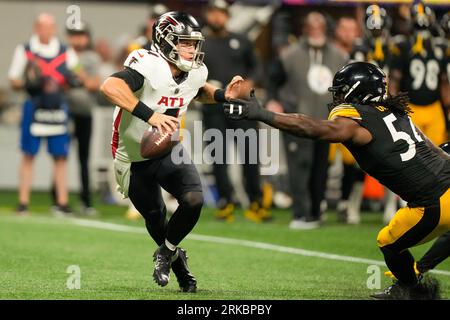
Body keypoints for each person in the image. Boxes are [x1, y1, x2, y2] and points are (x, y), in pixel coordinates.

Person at [224, 61, 450, 300]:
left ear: (356, 92)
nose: (339, 97)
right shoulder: (395, 111)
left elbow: (313, 128)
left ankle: (412, 290)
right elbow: (434, 150)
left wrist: (264, 114)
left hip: (433, 202)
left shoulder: (357, 121)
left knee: (389, 241)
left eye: (342, 91)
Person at [100, 11, 243, 292]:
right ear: (166, 41)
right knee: (155, 216)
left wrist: (223, 95)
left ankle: (165, 253)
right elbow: (110, 86)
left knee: (193, 200)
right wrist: (150, 115)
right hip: (131, 156)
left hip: (167, 149)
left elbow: (197, 89)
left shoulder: (194, 71)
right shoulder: (147, 64)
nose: (192, 49)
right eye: (185, 43)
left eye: (193, 43)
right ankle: (180, 268)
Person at [266, 12, 347, 229]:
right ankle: (301, 213)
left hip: (327, 121)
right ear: (304, 29)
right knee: (299, 166)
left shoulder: (339, 56)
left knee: (321, 168)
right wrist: (273, 100)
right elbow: (272, 80)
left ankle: (315, 211)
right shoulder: (289, 55)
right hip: (297, 120)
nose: (316, 31)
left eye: (320, 26)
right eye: (311, 27)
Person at [201, 0, 269, 223]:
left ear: (227, 16)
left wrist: (251, 82)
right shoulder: (201, 43)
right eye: (214, 13)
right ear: (208, 15)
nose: (217, 17)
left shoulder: (241, 40)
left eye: (221, 13)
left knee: (250, 155)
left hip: (242, 107)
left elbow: (257, 67)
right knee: (218, 157)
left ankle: (255, 202)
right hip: (213, 107)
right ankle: (225, 202)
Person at [8, 13, 78, 216]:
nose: (46, 31)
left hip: (57, 108)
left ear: (54, 28)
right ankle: (23, 202)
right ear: (36, 28)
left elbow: (78, 72)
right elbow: (13, 79)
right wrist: (27, 83)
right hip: (34, 107)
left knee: (60, 156)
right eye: (42, 27)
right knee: (29, 154)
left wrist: (75, 78)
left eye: (50, 27)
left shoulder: (66, 51)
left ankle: (62, 202)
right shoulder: (25, 50)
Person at [66, 22, 101, 215]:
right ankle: (59, 200)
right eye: (74, 35)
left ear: (87, 37)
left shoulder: (91, 58)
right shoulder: (62, 54)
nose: (77, 39)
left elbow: (94, 84)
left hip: (84, 113)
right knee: (60, 157)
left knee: (83, 158)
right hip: (64, 112)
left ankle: (86, 201)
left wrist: (77, 70)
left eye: (81, 35)